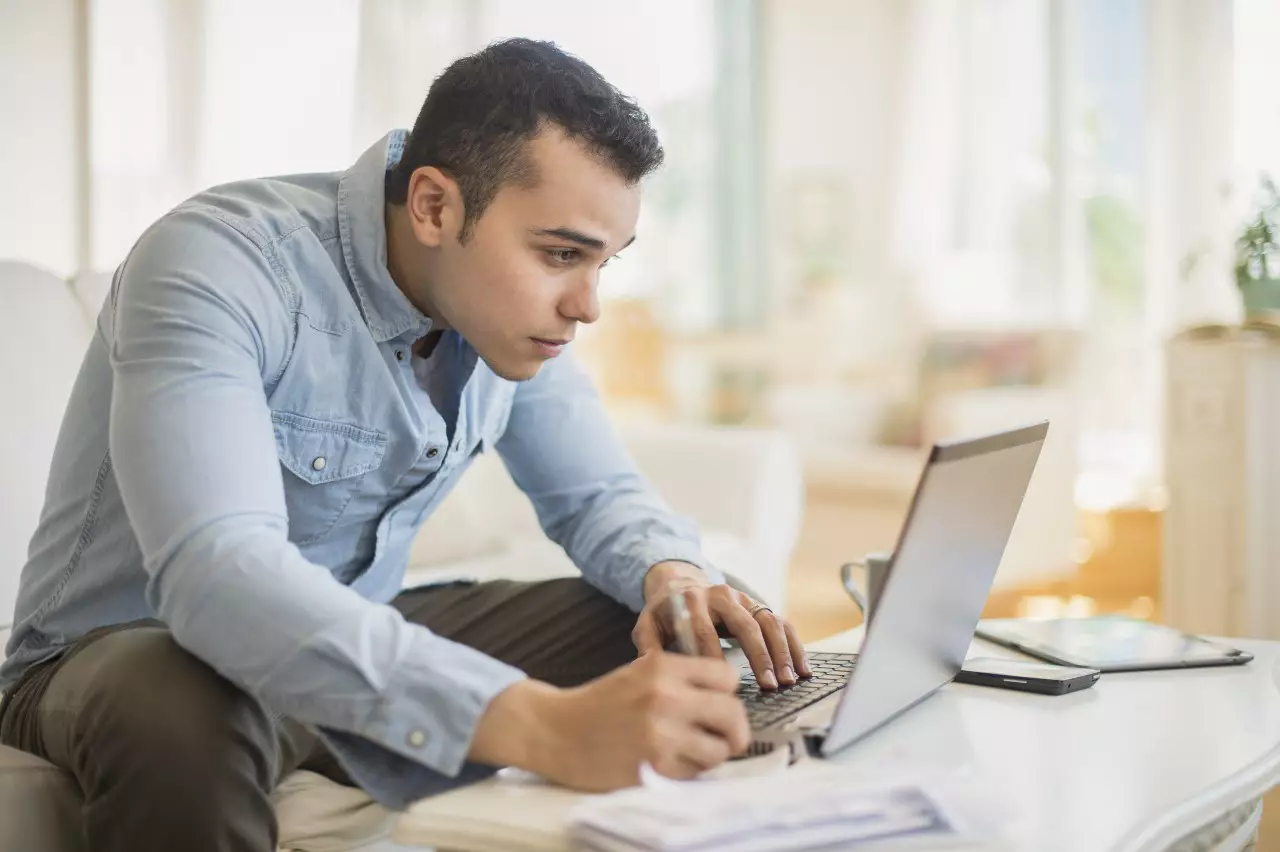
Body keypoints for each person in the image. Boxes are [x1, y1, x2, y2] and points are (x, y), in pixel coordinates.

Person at [0, 37, 810, 851]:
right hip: (128, 659)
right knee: (175, 694)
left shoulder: (505, 316)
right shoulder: (220, 262)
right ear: (433, 206)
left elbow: (598, 498)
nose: (588, 305)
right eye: (561, 254)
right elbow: (218, 576)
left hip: (352, 633)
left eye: (604, 262)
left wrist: (670, 573)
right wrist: (538, 725)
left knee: (673, 622)